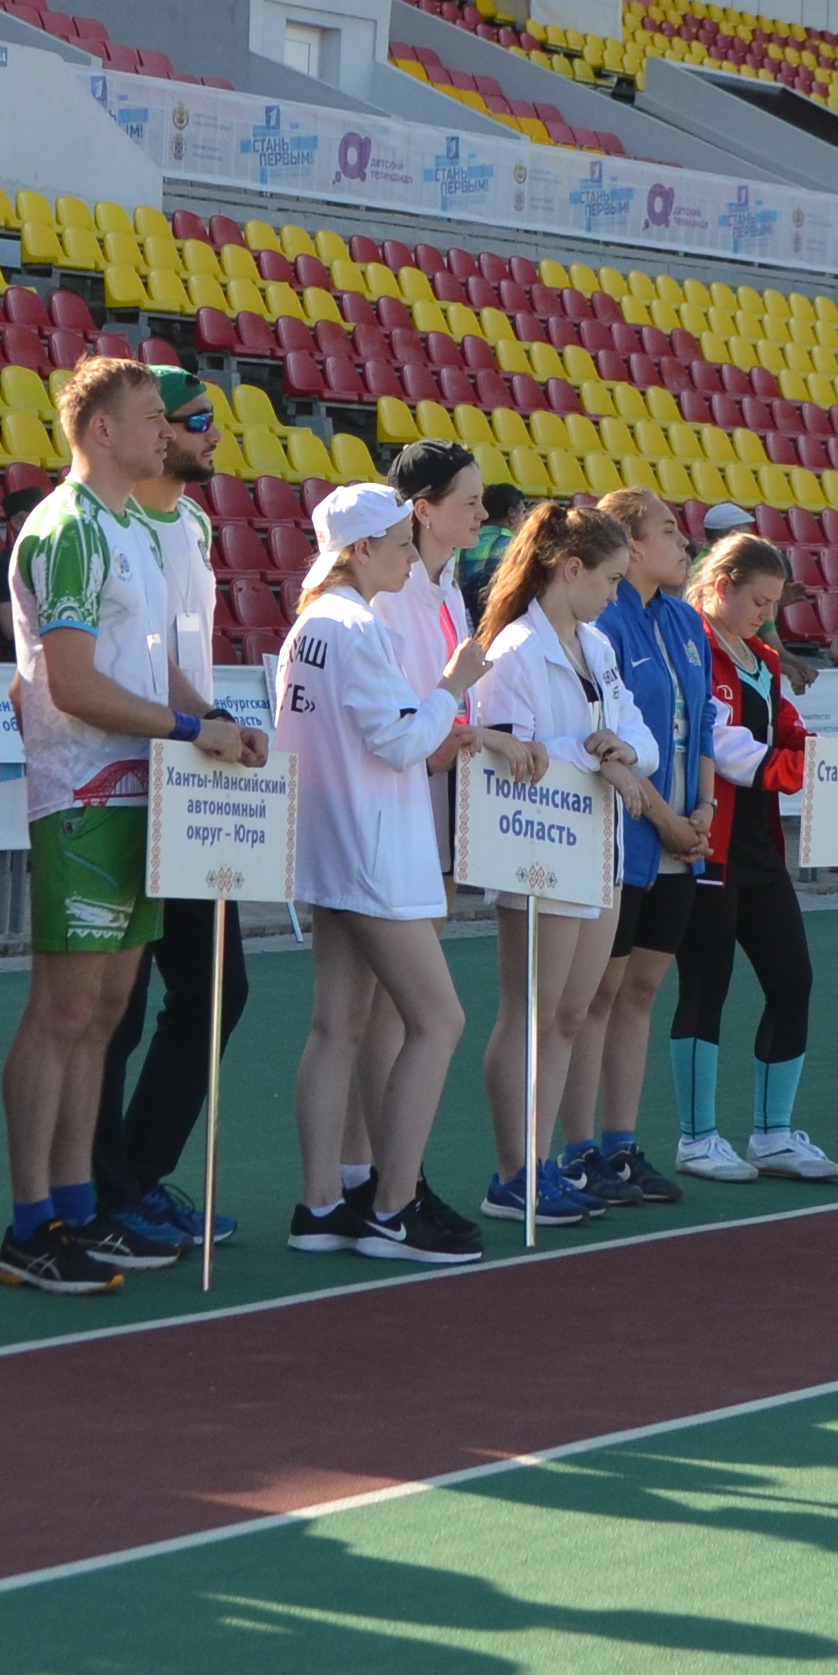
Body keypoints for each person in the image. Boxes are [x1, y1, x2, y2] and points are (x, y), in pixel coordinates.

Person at [0, 356, 261, 1292]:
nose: (171, 429)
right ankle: (30, 1221)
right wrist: (191, 725)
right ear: (99, 430)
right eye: (153, 415)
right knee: (64, 1012)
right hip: (82, 796)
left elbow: (159, 677)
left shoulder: (140, 531)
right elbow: (70, 683)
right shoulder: (66, 527)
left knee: (106, 1013)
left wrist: (215, 722)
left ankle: (79, 1204)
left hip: (142, 794)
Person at [274, 482, 522, 1264]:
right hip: (373, 846)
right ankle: (391, 1203)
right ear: (359, 548)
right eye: (396, 540)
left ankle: (322, 1201)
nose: (410, 552)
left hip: (330, 843)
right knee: (437, 1019)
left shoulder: (312, 624)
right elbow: (404, 741)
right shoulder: (353, 625)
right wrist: (450, 683)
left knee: (336, 1023)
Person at [89, 369, 252, 1255]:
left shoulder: (188, 523)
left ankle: (137, 1176)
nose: (205, 437)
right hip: (117, 779)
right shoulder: (111, 528)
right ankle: (102, 1188)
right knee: (112, 1003)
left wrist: (213, 722)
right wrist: (193, 721)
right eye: (192, 422)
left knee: (217, 985)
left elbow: (179, 659)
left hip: (190, 778)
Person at [465, 499, 661, 1220]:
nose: (615, 594)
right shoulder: (513, 649)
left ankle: (540, 1161)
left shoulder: (596, 644)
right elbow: (516, 758)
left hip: (594, 847)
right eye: (608, 579)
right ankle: (513, 1170)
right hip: (537, 850)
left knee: (569, 1015)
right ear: (569, 568)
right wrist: (597, 758)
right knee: (531, 1011)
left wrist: (623, 751)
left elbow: (634, 727)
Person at [664, 528, 834, 1183]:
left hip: (760, 848)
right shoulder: (695, 648)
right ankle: (696, 1137)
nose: (767, 614)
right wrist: (800, 767)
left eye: (772, 603)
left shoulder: (760, 654)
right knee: (706, 987)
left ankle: (771, 1133)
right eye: (757, 600)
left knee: (792, 979)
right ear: (718, 586)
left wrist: (836, 751)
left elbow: (788, 728)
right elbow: (725, 747)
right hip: (709, 845)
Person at [574, 487, 719, 1206]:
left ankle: (621, 1144)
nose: (684, 541)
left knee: (640, 991)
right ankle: (577, 1149)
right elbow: (612, 740)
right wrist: (667, 818)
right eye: (668, 530)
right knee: (596, 993)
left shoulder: (686, 619)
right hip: (626, 834)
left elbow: (706, 723)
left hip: (678, 834)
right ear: (630, 546)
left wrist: (705, 807)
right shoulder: (604, 622)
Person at [454, 479, 526, 609]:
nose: (524, 518)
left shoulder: (461, 546)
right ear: (512, 514)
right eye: (522, 512)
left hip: (462, 618)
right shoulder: (516, 547)